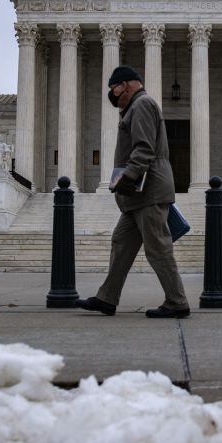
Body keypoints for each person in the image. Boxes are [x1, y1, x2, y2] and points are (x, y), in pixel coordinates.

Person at [76, 65, 191, 318]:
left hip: (148, 191)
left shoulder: (142, 104)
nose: (112, 95)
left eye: (113, 89)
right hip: (136, 196)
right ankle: (107, 298)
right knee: (121, 244)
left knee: (158, 247)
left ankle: (177, 302)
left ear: (125, 85)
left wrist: (127, 177)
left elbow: (144, 148)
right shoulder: (134, 107)